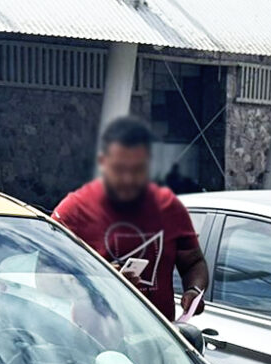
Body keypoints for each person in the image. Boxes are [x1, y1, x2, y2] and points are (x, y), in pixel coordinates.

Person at [53, 116, 208, 320]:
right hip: (96, 336)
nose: (128, 178)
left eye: (137, 169)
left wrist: (194, 290)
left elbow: (194, 262)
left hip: (159, 336)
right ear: (103, 163)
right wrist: (101, 279)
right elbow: (47, 276)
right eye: (120, 169)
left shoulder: (169, 207)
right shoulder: (74, 209)